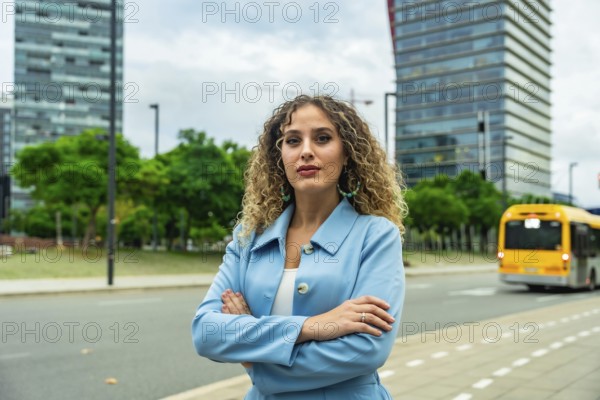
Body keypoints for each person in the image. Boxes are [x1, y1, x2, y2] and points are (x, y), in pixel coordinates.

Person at [192, 94, 407, 399]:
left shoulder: (376, 235)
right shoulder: (248, 236)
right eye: (293, 141)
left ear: (347, 153)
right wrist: (312, 326)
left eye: (322, 138)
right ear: (279, 155)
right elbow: (206, 333)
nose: (306, 151)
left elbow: (367, 350)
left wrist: (255, 359)